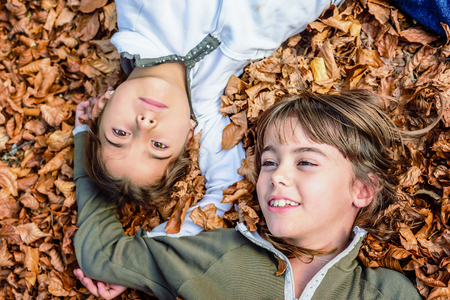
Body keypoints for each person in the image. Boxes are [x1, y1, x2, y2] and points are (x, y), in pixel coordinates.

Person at [73, 90, 422, 300]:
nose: (276, 176)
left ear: (361, 189)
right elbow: (103, 255)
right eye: (269, 161)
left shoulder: (384, 293)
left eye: (305, 162)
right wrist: (90, 141)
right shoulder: (215, 257)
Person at [76, 0, 345, 240]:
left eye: (120, 134)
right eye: (158, 146)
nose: (144, 124)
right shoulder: (207, 108)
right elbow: (224, 191)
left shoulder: (137, 12)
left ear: (101, 106)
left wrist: (80, 133)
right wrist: (137, 258)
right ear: (189, 136)